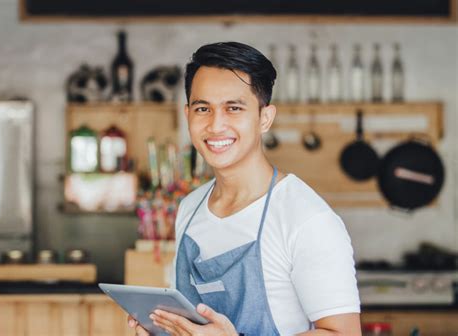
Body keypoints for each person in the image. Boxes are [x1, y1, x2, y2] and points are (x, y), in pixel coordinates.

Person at [129, 42, 361, 335]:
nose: (215, 125)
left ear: (265, 118)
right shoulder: (190, 209)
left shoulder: (306, 219)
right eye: (203, 108)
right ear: (188, 115)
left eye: (234, 108)